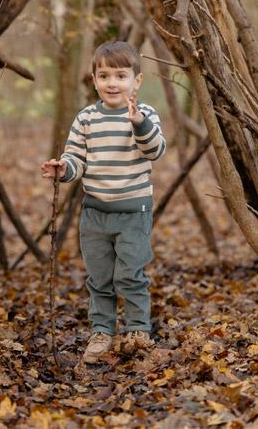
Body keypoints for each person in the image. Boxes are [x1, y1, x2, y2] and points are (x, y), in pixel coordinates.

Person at [41, 41, 166, 363]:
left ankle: (137, 329)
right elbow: (76, 158)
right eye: (104, 75)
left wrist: (139, 123)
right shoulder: (86, 118)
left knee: (130, 274)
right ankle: (101, 331)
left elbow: (156, 151)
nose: (112, 83)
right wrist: (64, 169)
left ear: (137, 81)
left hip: (134, 211)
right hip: (95, 213)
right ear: (94, 79)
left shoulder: (145, 115)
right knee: (99, 278)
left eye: (121, 76)